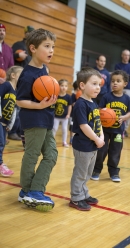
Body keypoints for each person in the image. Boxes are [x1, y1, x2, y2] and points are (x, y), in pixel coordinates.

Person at [16, 28, 58, 211]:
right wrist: (39, 106)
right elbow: (20, 100)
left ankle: (32, 190)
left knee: (52, 155)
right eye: (46, 46)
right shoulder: (27, 74)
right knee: (32, 155)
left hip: (46, 118)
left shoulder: (45, 70)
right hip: (34, 119)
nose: (51, 50)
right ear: (33, 48)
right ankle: (29, 191)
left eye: (53, 47)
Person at [69, 67, 105, 211]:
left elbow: (97, 122)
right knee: (80, 172)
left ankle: (83, 194)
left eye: (99, 85)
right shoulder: (80, 104)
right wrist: (97, 138)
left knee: (88, 173)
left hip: (93, 145)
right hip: (83, 145)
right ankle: (76, 198)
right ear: (82, 85)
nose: (98, 88)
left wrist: (101, 135)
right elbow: (84, 126)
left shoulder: (93, 103)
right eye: (94, 84)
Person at [91, 70, 130, 182]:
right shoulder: (106, 97)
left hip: (118, 131)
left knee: (115, 152)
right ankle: (96, 170)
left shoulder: (127, 98)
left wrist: (124, 117)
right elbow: (99, 110)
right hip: (104, 130)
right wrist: (104, 116)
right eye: (113, 81)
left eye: (118, 81)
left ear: (125, 84)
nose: (115, 83)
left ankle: (114, 172)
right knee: (101, 151)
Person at [8, 26, 35, 141]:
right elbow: (10, 58)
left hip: (28, 81)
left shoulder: (33, 48)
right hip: (17, 80)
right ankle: (11, 131)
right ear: (25, 33)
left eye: (32, 32)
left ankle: (19, 132)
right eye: (29, 32)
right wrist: (18, 56)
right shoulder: (18, 45)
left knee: (23, 108)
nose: (30, 34)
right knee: (15, 107)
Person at [0, 65, 23, 177]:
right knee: (1, 143)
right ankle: (0, 164)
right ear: (13, 75)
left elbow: (14, 109)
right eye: (21, 75)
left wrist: (10, 124)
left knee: (2, 143)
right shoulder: (6, 85)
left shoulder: (16, 91)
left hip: (4, 123)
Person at [115, 49, 130, 137]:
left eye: (128, 55)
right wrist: (129, 76)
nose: (126, 57)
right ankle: (117, 126)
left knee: (128, 109)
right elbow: (118, 75)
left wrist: (124, 75)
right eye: (125, 55)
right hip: (119, 89)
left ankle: (125, 129)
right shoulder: (117, 65)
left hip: (129, 90)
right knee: (118, 107)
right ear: (122, 55)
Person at [52, 79, 72, 147]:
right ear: (58, 86)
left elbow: (70, 106)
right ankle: (51, 141)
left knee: (64, 129)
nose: (64, 87)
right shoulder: (56, 95)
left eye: (66, 86)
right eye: (62, 85)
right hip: (56, 116)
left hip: (65, 116)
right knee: (54, 128)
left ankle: (64, 142)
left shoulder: (68, 97)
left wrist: (68, 114)